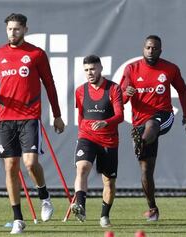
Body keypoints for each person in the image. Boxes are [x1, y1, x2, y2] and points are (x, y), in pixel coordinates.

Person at [0, 13, 65, 234]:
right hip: (6, 119)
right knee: (10, 167)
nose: (12, 33)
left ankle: (44, 196)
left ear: (25, 29)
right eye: (9, 29)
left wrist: (57, 114)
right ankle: (18, 218)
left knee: (30, 163)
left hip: (29, 117)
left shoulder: (36, 54)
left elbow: (50, 85)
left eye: (16, 29)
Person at [120, 35, 186, 221]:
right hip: (139, 122)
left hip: (163, 116)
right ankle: (152, 208)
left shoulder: (170, 69)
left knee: (153, 124)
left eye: (154, 48)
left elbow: (183, 90)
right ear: (143, 48)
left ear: (161, 50)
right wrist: (126, 95)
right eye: (148, 47)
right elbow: (120, 99)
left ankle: (141, 141)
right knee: (146, 171)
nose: (151, 51)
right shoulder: (132, 69)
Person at [71, 55, 124, 228]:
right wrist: (80, 135)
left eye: (92, 69)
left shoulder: (114, 89)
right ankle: (80, 206)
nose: (89, 73)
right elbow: (80, 116)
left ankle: (104, 215)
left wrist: (105, 122)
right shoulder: (80, 90)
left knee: (108, 181)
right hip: (87, 136)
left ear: (101, 68)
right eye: (86, 70)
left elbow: (120, 116)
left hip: (108, 140)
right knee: (82, 168)